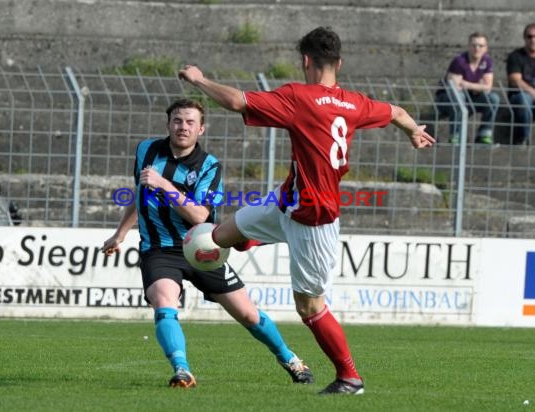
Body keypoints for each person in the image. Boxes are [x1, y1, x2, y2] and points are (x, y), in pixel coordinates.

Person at [179, 26, 435, 395]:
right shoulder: (355, 102)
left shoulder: (300, 97)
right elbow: (395, 111)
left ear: (305, 61)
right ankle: (255, 239)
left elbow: (238, 101)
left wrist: (200, 79)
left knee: (310, 307)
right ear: (339, 63)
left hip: (313, 217)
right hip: (287, 201)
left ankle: (349, 377)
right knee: (220, 236)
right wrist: (413, 131)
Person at [102, 98, 313, 389]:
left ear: (201, 129)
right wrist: (121, 233)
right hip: (159, 248)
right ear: (168, 124)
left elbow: (200, 214)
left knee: (248, 314)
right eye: (177, 120)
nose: (183, 127)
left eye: (190, 122)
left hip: (201, 247)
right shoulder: (146, 150)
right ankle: (182, 370)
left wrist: (165, 185)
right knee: (164, 301)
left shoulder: (209, 166)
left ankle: (290, 359)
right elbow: (141, 193)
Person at [434, 32, 500, 144]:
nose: (477, 48)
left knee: (493, 99)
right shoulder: (459, 61)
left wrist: (466, 84)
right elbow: (455, 87)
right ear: (469, 46)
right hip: (448, 98)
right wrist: (478, 85)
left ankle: (484, 135)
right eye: (474, 45)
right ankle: (456, 135)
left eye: (481, 46)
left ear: (486, 48)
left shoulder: (486, 62)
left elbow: (487, 87)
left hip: (472, 97)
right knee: (460, 98)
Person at [507, 22, 535, 145]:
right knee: (524, 100)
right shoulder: (516, 56)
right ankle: (522, 140)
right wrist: (533, 92)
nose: (533, 39)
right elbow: (515, 80)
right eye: (529, 36)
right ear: (524, 38)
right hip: (520, 95)